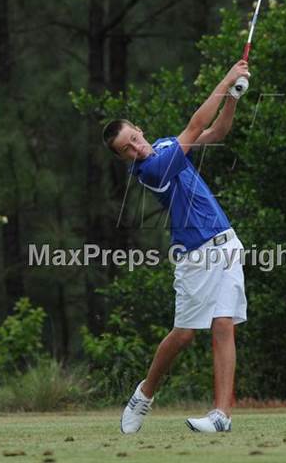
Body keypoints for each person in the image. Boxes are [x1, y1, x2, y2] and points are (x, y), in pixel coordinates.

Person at [102, 60, 250, 433]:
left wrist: (232, 97)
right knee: (184, 334)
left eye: (133, 138)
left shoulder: (167, 145)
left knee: (223, 326)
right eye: (126, 150)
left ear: (139, 130)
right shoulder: (150, 170)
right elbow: (197, 125)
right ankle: (145, 393)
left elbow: (216, 132)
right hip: (194, 255)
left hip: (226, 242)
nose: (135, 148)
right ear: (124, 159)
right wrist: (226, 78)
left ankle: (221, 416)